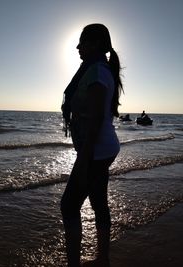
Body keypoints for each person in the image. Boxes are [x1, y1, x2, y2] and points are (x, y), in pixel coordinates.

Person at [61, 23, 123, 267]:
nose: (78, 47)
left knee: (68, 205)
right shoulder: (98, 69)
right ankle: (103, 259)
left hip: (96, 150)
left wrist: (84, 158)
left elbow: (97, 118)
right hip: (103, 147)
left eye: (82, 42)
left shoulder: (97, 71)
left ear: (96, 44)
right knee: (98, 201)